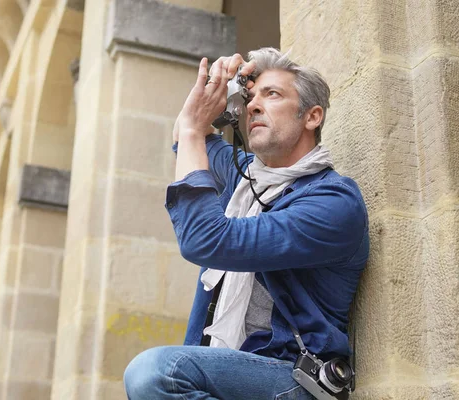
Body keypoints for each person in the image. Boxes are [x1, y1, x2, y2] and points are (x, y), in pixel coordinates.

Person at [123, 48, 369, 400]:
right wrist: (224, 87)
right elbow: (185, 134)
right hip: (230, 370)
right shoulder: (247, 180)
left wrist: (195, 130)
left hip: (295, 379)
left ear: (312, 116)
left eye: (272, 95)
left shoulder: (333, 202)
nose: (253, 105)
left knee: (155, 374)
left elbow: (206, 241)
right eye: (251, 98)